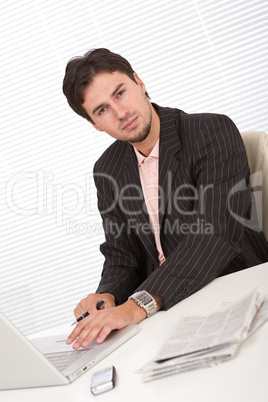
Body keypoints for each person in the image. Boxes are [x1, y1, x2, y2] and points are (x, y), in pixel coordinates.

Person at [62, 48, 268, 350]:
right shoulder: (107, 169)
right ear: (95, 124)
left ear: (139, 82)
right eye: (102, 110)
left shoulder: (210, 130)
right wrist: (108, 296)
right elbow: (122, 256)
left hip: (235, 290)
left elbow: (215, 235)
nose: (121, 113)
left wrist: (136, 305)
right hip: (168, 309)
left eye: (120, 93)